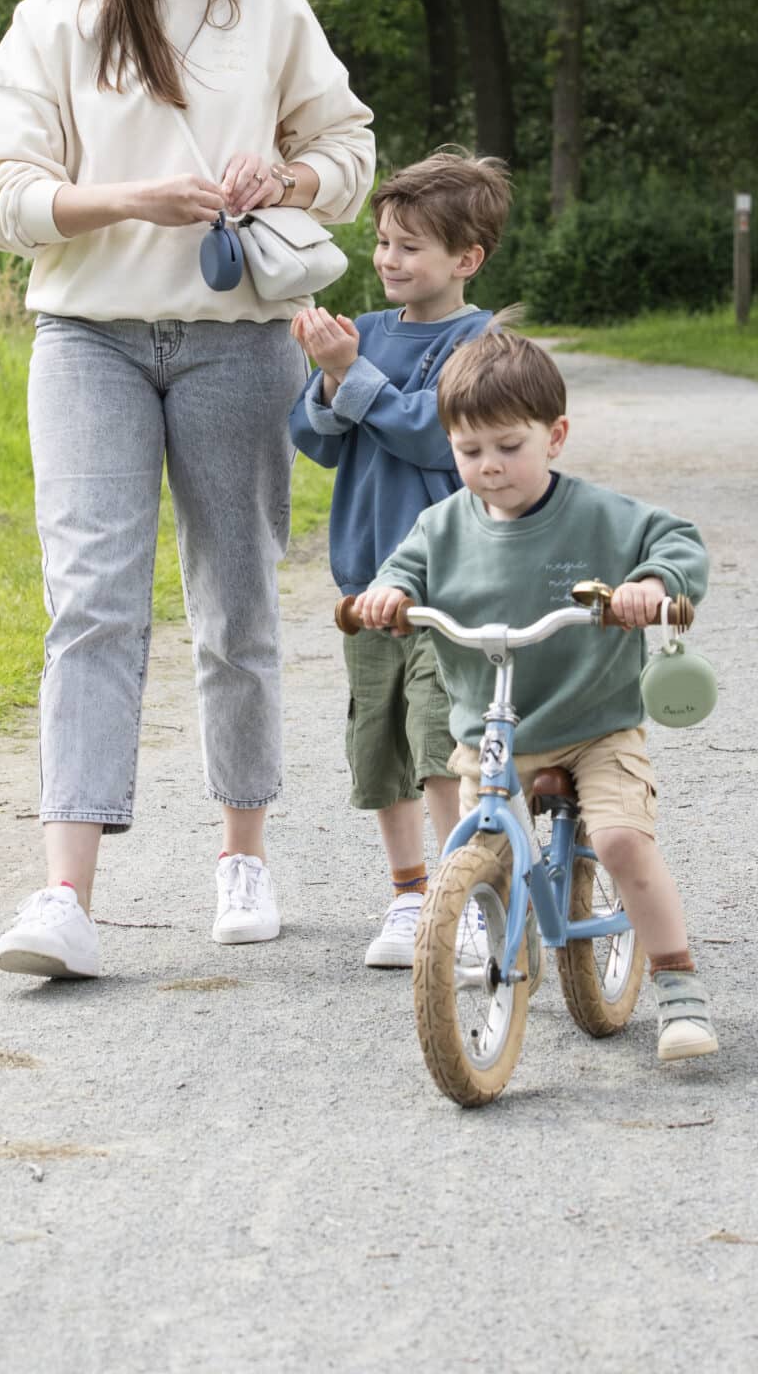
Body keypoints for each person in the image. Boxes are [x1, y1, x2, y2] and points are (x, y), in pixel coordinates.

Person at [0, 0, 375, 982]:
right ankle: (64, 895)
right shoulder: (55, 17)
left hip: (237, 335)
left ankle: (241, 854)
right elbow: (1, 197)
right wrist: (127, 199)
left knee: (238, 602)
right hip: (87, 336)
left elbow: (349, 151)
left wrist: (290, 179)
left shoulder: (267, 2)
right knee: (91, 601)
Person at [353, 326, 717, 1062]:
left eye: (508, 447)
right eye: (469, 451)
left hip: (595, 722)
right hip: (489, 730)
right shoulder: (440, 526)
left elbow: (676, 539)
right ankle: (489, 922)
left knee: (618, 841)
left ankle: (678, 985)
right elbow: (400, 569)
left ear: (554, 436)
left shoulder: (600, 516)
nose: (488, 468)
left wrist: (651, 586)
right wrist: (388, 595)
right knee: (464, 828)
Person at [289, 150, 510, 970]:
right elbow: (311, 440)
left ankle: (467, 900)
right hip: (366, 580)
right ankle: (409, 891)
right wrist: (325, 381)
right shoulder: (366, 331)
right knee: (378, 742)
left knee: (439, 739)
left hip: (452, 587)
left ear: (465, 259)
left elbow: (438, 435)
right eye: (382, 242)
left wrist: (353, 378)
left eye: (410, 246)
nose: (388, 259)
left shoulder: (481, 342)